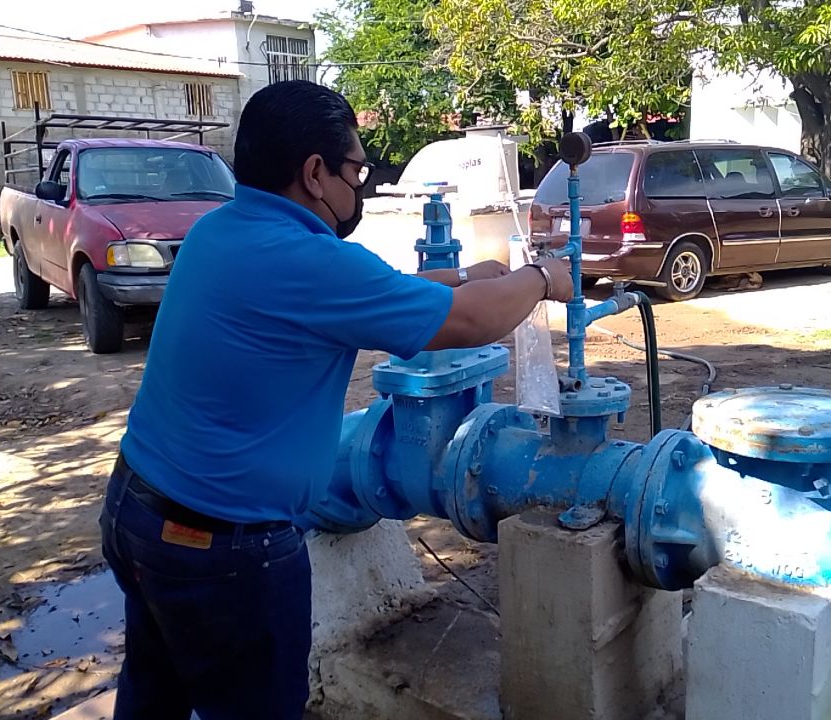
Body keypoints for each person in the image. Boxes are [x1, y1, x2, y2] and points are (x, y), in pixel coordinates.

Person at [99, 80, 573, 719]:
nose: (361, 186)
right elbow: (468, 323)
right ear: (315, 173)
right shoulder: (308, 260)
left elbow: (373, 291)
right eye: (357, 170)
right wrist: (541, 278)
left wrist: (466, 275)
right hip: (223, 552)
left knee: (153, 694)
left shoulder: (220, 230)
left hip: (137, 512)